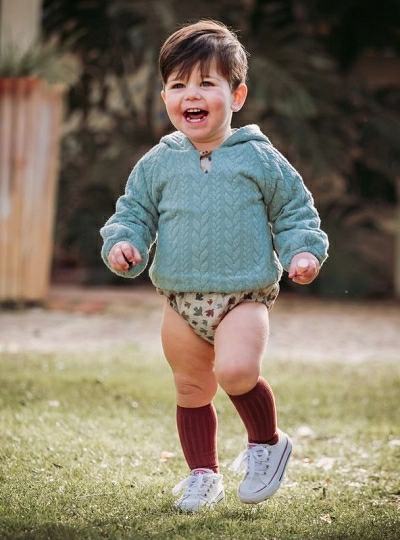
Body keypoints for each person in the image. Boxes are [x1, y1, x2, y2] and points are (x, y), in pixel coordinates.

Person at [100, 19, 329, 512]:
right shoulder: (158, 162)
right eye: (178, 85)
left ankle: (267, 442)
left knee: (236, 369)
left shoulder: (260, 160)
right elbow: (133, 213)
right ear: (165, 97)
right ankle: (203, 474)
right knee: (191, 387)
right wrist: (124, 244)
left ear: (237, 94)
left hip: (243, 294)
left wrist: (302, 251)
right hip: (180, 299)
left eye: (206, 82)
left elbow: (294, 213)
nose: (192, 94)